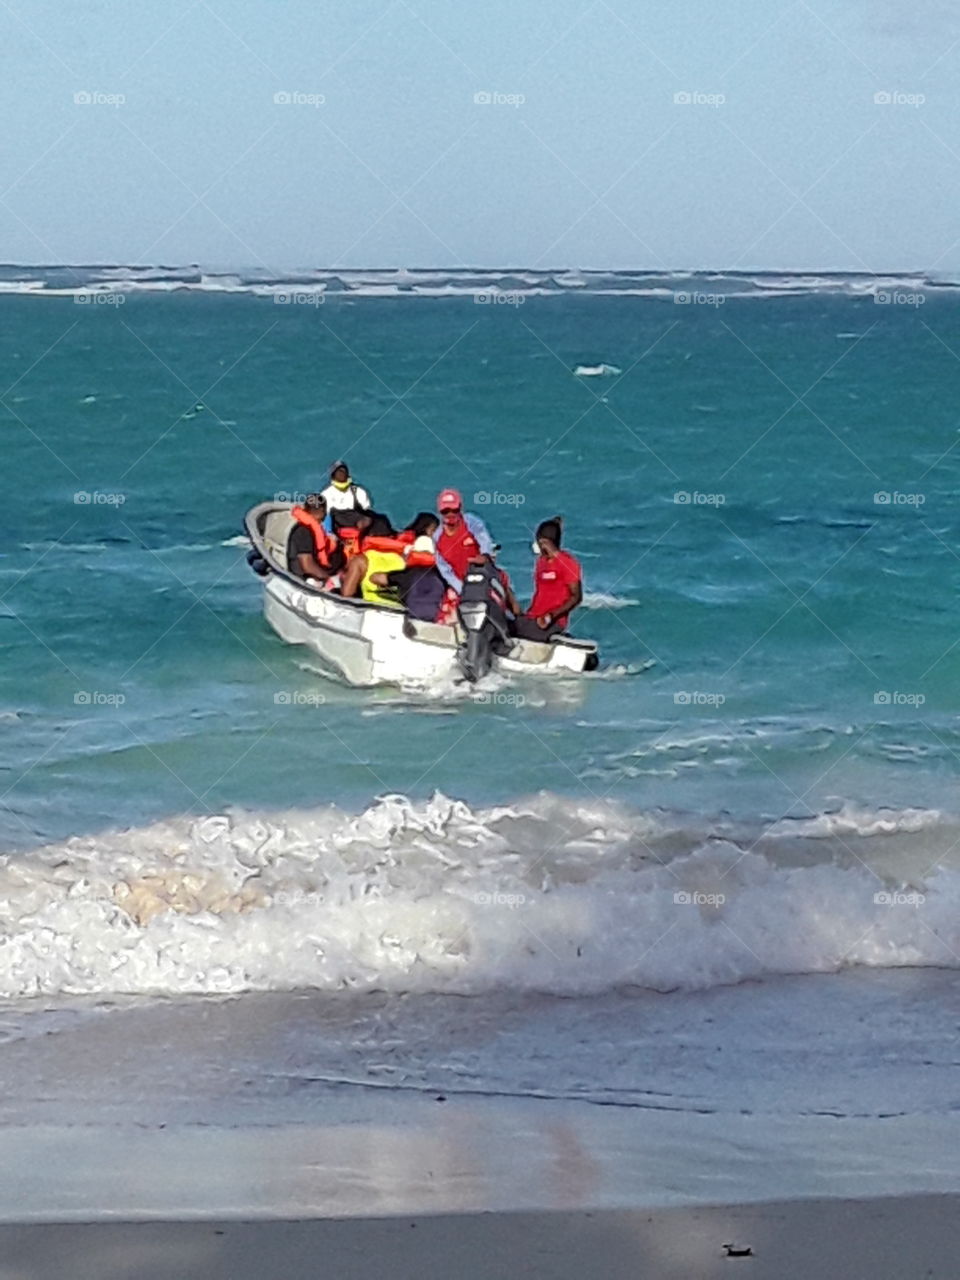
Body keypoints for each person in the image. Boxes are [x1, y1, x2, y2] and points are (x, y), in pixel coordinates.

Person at [512, 517, 582, 640]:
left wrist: (551, 616)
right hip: (533, 617)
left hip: (551, 622)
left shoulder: (568, 563)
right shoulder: (541, 562)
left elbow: (576, 597)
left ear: (544, 542)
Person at [374, 513, 446, 621]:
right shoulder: (443, 575)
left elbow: (376, 578)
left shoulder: (408, 574)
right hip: (435, 620)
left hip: (413, 619)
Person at [432, 488, 496, 593]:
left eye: (454, 510)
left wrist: (485, 555)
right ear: (439, 512)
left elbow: (484, 538)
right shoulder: (437, 537)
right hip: (460, 585)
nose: (450, 514)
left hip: (484, 575)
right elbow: (445, 570)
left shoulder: (471, 522)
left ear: (460, 507)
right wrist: (462, 589)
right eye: (445, 511)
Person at [339, 514, 405, 607]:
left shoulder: (361, 561)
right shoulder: (404, 559)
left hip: (372, 610)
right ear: (391, 537)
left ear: (369, 536)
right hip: (399, 611)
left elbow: (346, 595)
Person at [287, 493, 344, 584]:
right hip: (306, 579)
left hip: (320, 571)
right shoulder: (303, 532)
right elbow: (307, 565)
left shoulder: (312, 528)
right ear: (323, 511)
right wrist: (329, 579)